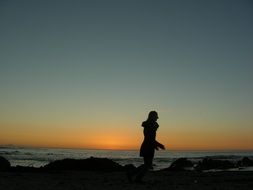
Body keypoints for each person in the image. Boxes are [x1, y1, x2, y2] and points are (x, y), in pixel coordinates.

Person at [127, 111, 165, 183]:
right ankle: (136, 177)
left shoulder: (149, 126)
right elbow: (149, 138)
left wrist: (155, 145)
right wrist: (158, 145)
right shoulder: (150, 126)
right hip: (147, 146)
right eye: (156, 116)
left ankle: (132, 174)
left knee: (147, 164)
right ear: (152, 117)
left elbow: (151, 138)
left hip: (148, 146)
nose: (157, 118)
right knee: (148, 165)